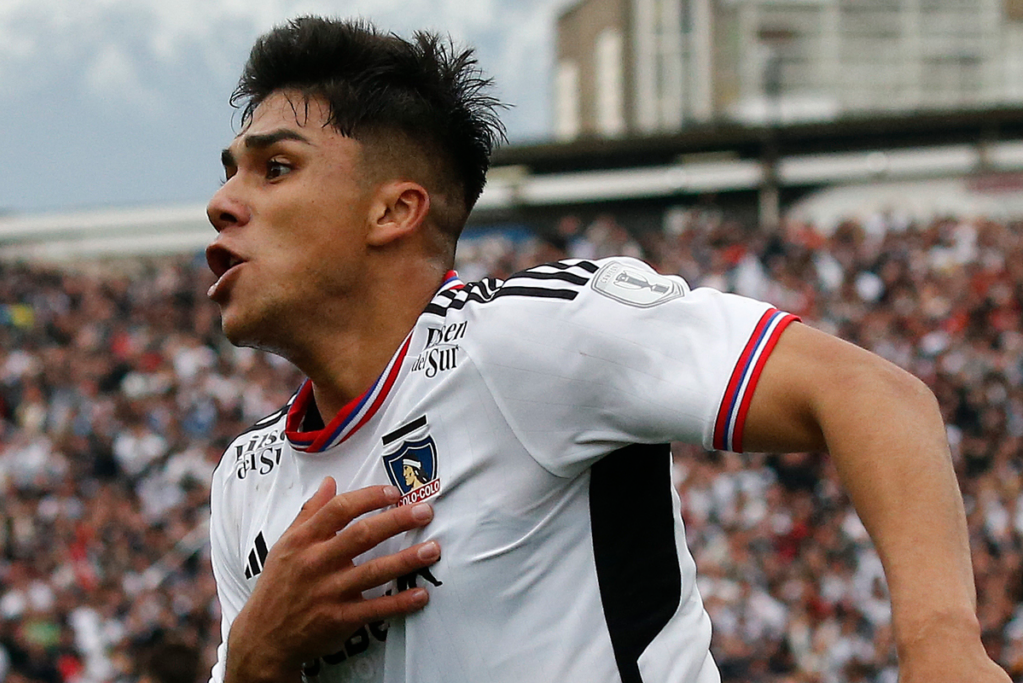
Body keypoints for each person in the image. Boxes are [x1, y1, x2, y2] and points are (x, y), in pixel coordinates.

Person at [203, 16, 1009, 683]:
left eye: (275, 168)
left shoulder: (534, 338)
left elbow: (873, 393)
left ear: (394, 211)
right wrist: (252, 660)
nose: (222, 203)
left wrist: (940, 641)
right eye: (231, 171)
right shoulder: (247, 481)